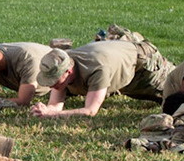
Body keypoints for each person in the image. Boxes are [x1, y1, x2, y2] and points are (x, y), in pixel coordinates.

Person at [29, 33, 172, 119]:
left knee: (174, 93)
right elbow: (55, 105)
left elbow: (90, 111)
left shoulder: (97, 69)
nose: (51, 84)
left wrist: (53, 114)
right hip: (115, 56)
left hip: (144, 63)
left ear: (68, 72)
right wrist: (47, 110)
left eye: (54, 79)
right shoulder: (62, 61)